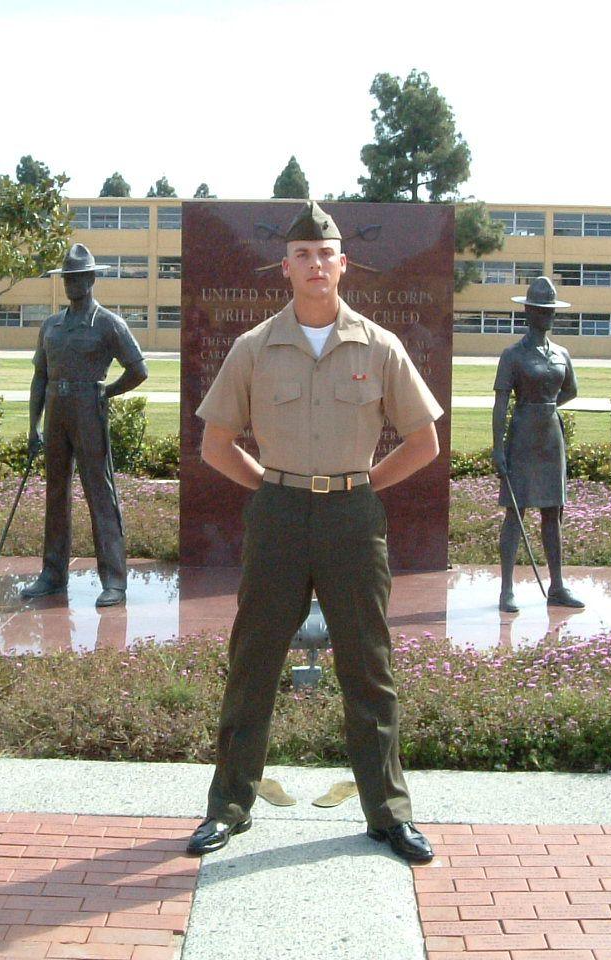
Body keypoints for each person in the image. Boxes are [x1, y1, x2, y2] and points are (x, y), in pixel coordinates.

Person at [188, 201, 443, 864]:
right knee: (253, 664)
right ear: (287, 267)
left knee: (369, 666)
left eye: (325, 254)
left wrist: (363, 487)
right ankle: (229, 807)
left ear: (343, 265)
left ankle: (388, 812)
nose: (315, 265)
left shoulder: (379, 346)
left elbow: (424, 440)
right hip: (277, 513)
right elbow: (215, 443)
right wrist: (269, 489)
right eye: (303, 254)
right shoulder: (254, 348)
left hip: (352, 518)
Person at [20, 243, 149, 607]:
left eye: (79, 277)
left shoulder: (109, 324)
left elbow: (139, 370)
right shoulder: (52, 325)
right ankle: (52, 574)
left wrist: (106, 393)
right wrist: (34, 426)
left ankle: (114, 581)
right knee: (55, 496)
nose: (73, 284)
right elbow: (39, 378)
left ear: (92, 279)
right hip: (57, 412)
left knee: (99, 494)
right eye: (68, 278)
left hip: (89, 411)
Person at [491, 276, 584, 613]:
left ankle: (557, 585)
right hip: (522, 437)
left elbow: (571, 390)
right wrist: (497, 448)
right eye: (542, 311)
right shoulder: (513, 355)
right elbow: (501, 403)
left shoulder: (561, 353)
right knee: (515, 514)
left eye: (551, 312)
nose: (548, 317)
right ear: (528, 312)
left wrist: (547, 406)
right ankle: (506, 590)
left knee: (553, 512)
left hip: (551, 438)